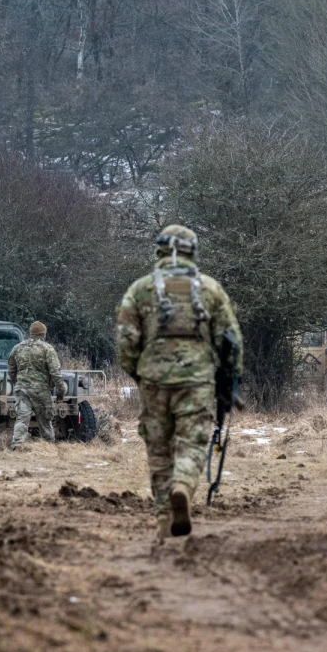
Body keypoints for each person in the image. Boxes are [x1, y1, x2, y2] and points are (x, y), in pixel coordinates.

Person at [116, 225, 242, 539]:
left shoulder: (140, 289)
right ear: (192, 251)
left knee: (158, 452)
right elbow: (231, 340)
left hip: (154, 381)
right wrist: (229, 383)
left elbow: (125, 342)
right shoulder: (210, 289)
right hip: (196, 380)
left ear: (159, 251)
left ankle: (163, 520)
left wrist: (140, 374)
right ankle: (183, 486)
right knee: (193, 441)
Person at [7, 321, 66, 450]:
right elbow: (55, 372)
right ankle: (48, 447)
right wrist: (62, 389)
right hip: (41, 390)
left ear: (31, 333)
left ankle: (17, 446)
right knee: (45, 421)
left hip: (22, 390)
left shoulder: (17, 348)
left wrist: (17, 383)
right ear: (43, 334)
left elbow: (11, 369)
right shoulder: (47, 349)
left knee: (22, 420)